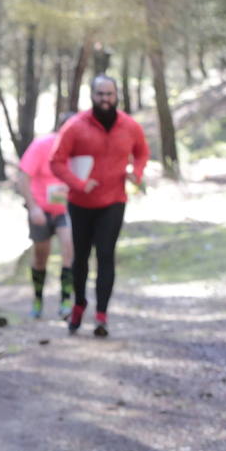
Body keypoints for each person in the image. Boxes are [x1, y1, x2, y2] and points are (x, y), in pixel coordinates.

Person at [49, 74, 149, 337]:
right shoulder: (75, 126)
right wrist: (79, 183)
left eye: (109, 94)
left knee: (106, 255)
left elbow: (142, 151)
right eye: (100, 94)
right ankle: (79, 303)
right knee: (80, 257)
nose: (105, 99)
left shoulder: (129, 126)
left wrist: (135, 172)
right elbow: (56, 161)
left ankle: (102, 314)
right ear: (92, 96)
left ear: (117, 96)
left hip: (113, 201)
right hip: (80, 203)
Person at [16, 117, 76, 319]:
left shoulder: (79, 149)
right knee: (41, 256)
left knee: (69, 249)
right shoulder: (41, 145)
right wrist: (33, 208)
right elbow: (23, 176)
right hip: (40, 210)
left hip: (65, 209)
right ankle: (38, 298)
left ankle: (66, 300)